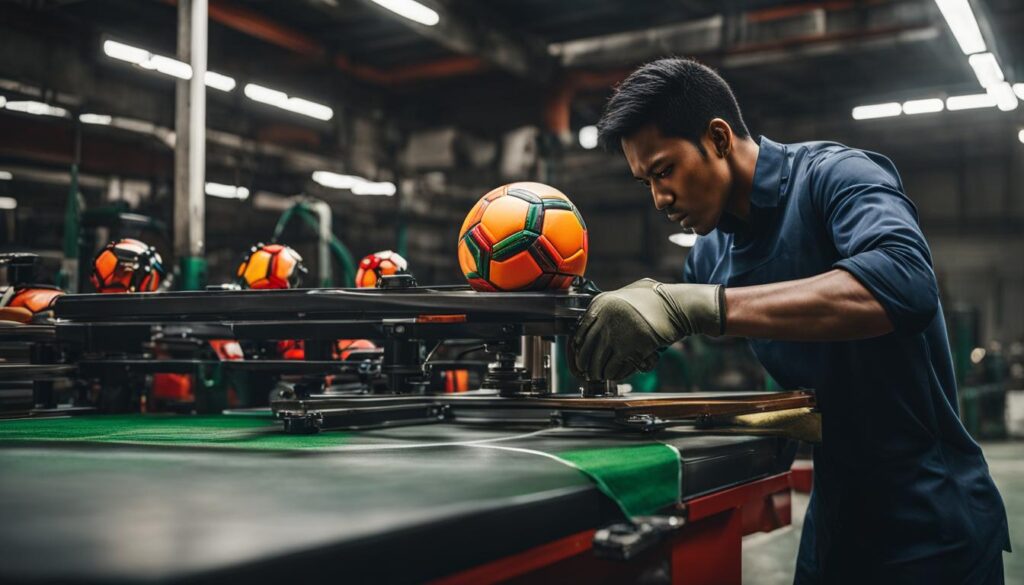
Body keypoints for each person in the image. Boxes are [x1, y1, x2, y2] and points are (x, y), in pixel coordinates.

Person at [570, 57, 1010, 584]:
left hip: (930, 520)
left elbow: (904, 284)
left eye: (664, 171)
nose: (659, 199)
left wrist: (702, 307)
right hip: (834, 522)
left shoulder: (836, 176)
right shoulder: (709, 256)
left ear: (718, 138)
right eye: (646, 182)